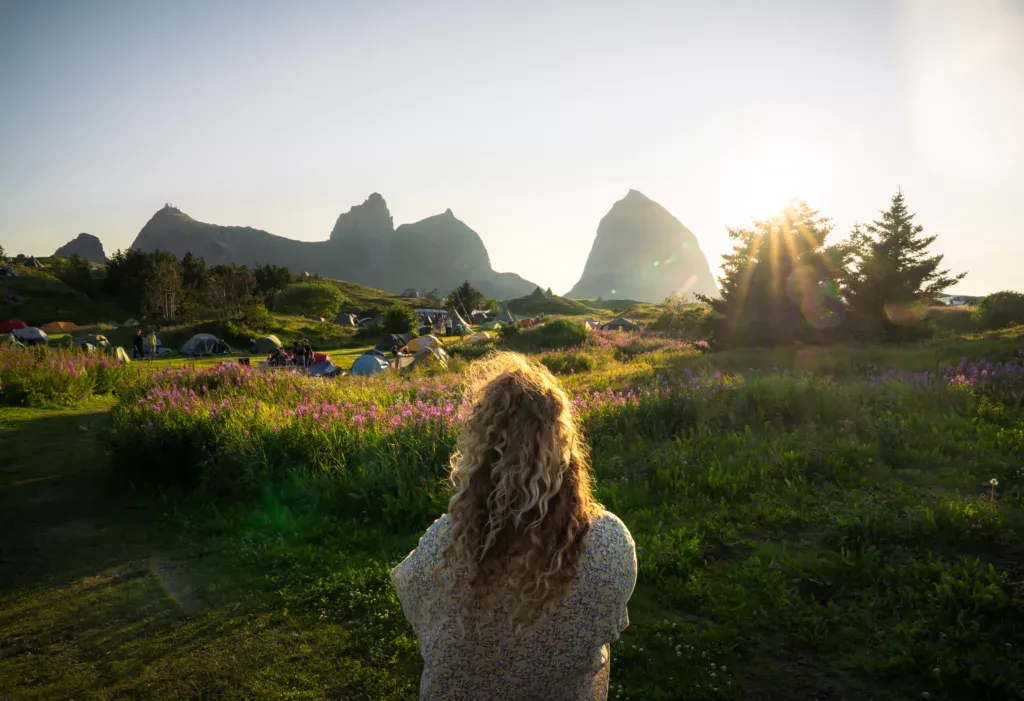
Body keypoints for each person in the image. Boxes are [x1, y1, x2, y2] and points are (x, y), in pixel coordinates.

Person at [391, 353, 636, 700]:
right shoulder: (609, 543)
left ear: (481, 448)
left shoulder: (444, 544)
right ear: (565, 445)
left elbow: (420, 617)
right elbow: (609, 626)